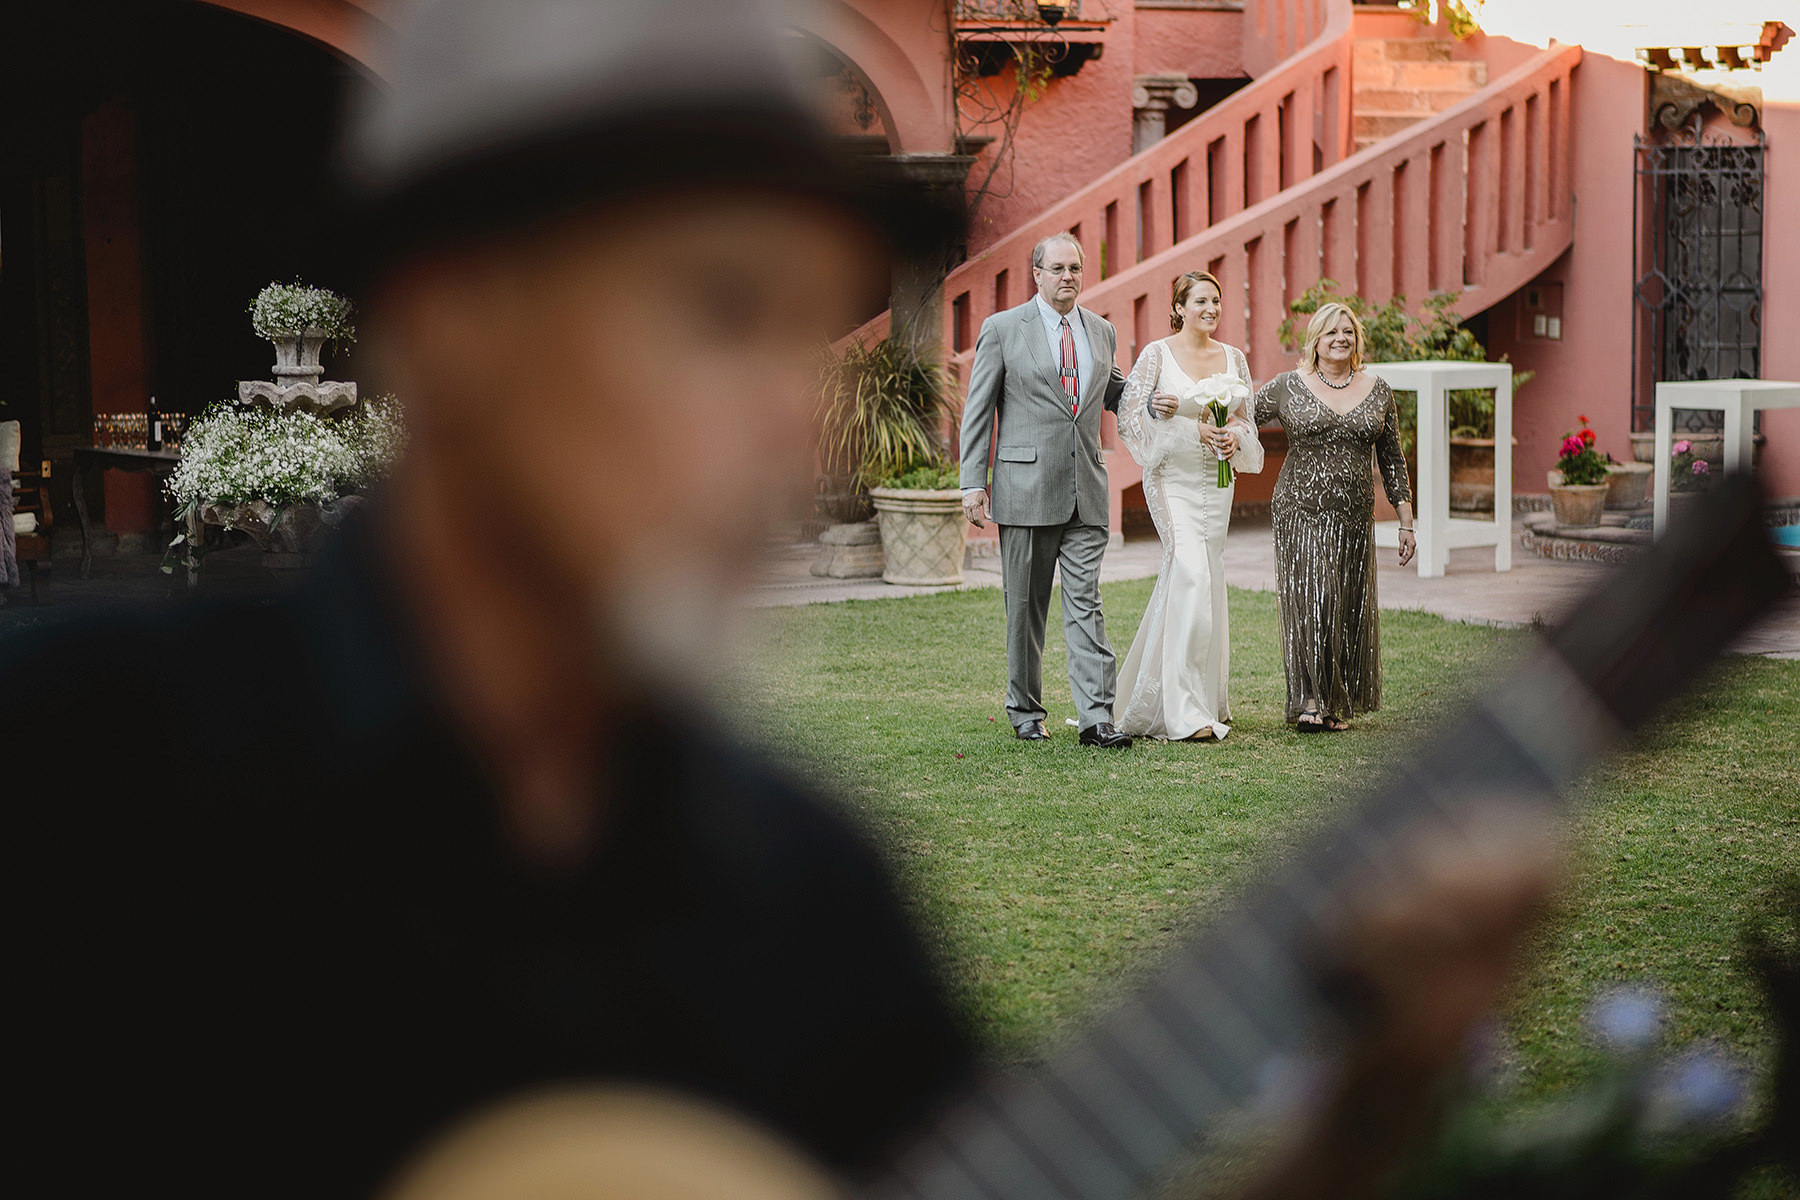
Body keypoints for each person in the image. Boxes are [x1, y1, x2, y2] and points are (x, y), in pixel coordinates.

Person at [6, 2, 974, 1196]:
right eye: (723, 309)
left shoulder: (814, 898)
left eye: (806, 326)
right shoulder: (80, 784)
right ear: (453, 314)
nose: (790, 416)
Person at [958, 231, 1132, 748]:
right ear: (1036, 274)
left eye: (1075, 268)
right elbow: (979, 410)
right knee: (1025, 608)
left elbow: (1115, 390)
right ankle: (1025, 711)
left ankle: (1097, 718)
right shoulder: (1003, 329)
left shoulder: (1101, 330)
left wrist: (1166, 399)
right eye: (1056, 269)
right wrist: (973, 483)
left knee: (1086, 602)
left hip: (1086, 490)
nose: (1067, 277)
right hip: (1025, 488)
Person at [1113, 270, 1263, 741]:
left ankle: (1199, 696)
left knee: (1204, 578)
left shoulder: (1234, 358)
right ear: (1178, 307)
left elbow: (1248, 425)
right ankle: (1183, 711)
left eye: (1216, 301)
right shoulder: (1156, 355)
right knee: (1191, 571)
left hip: (1217, 483)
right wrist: (1186, 427)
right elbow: (1130, 420)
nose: (1211, 309)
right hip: (1171, 480)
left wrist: (1229, 436)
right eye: (1200, 301)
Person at [1253, 302, 1417, 732]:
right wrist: (1221, 441)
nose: (1341, 338)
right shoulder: (1289, 385)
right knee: (1315, 597)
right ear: (1316, 341)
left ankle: (1331, 702)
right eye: (1331, 332)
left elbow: (1393, 460)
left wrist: (1405, 520)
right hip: (1299, 509)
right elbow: (1242, 416)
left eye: (1348, 331)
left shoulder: (1377, 389)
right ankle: (1310, 698)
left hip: (1353, 517)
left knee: (1344, 606)